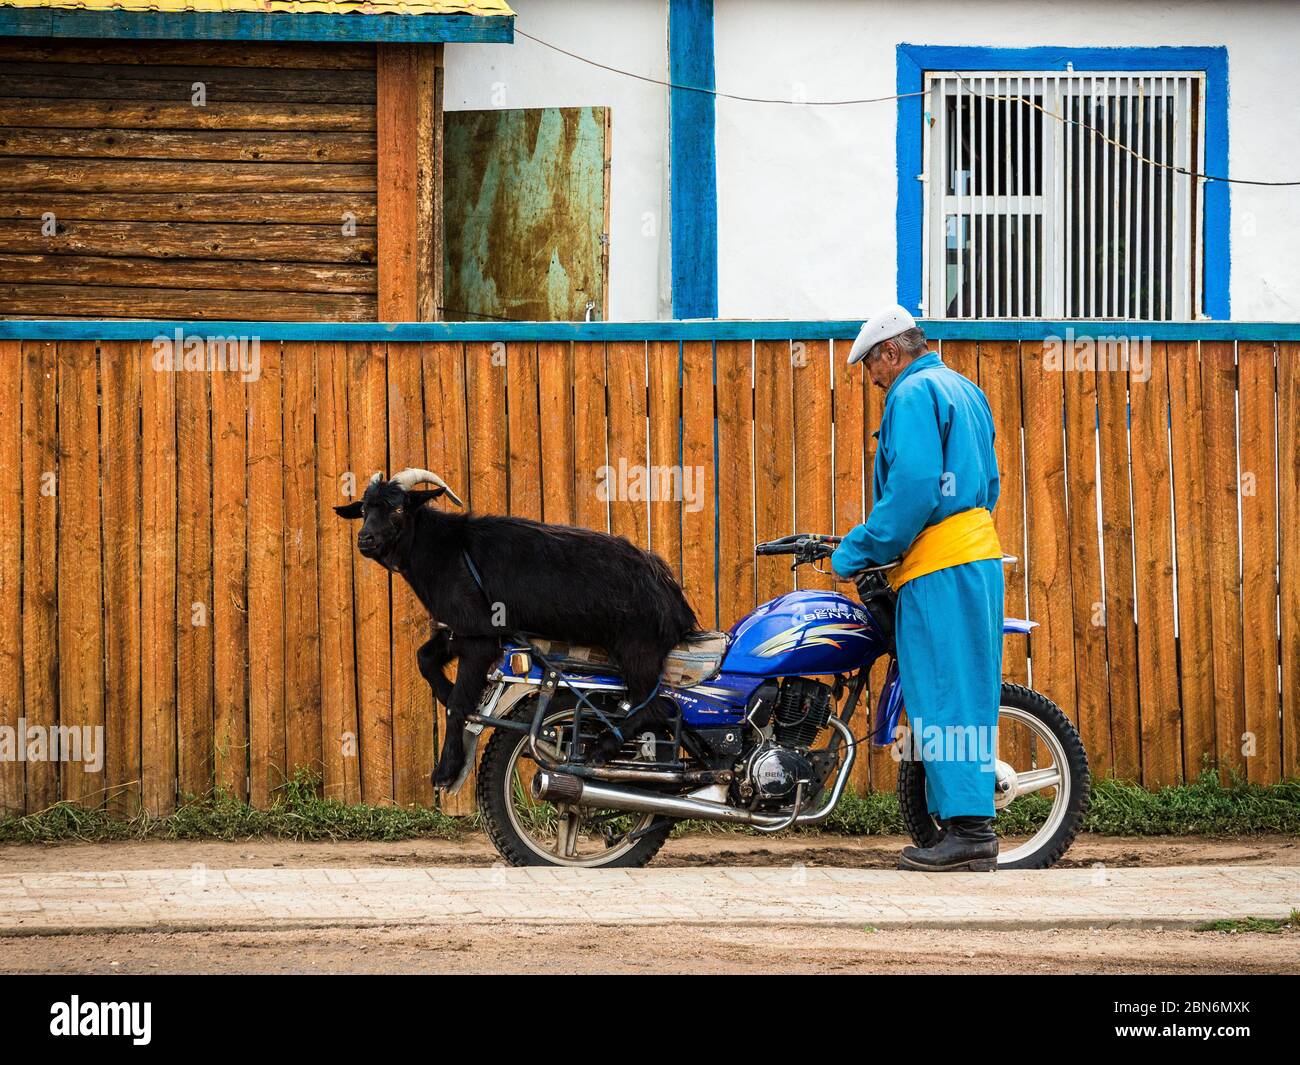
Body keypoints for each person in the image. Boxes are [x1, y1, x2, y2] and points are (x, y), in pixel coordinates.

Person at [831, 305, 1005, 872]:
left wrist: (854, 552)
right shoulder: (965, 389)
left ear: (890, 352)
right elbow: (990, 485)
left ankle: (971, 835)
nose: (872, 379)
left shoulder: (909, 396)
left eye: (871, 367)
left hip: (938, 568)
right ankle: (957, 828)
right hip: (975, 559)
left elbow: (912, 492)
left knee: (943, 697)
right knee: (964, 691)